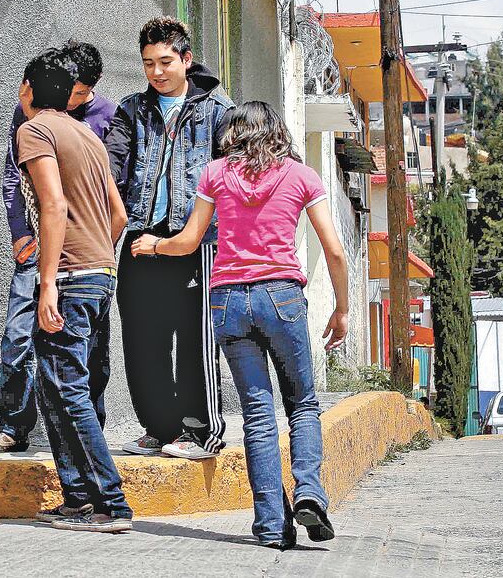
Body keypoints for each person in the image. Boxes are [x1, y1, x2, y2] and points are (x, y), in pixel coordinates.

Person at [131, 101, 347, 549]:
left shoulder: (214, 174)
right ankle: (308, 491)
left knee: (257, 414)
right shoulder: (301, 176)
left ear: (233, 133)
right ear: (277, 132)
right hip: (282, 296)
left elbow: (189, 241)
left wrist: (153, 245)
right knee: (302, 404)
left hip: (228, 300)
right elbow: (334, 250)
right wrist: (341, 309)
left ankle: (270, 525)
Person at [0, 41, 117, 453]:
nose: (71, 100)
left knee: (84, 359)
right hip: (45, 252)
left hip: (76, 263)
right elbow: (14, 179)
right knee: (19, 338)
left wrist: (89, 251)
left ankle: (90, 445)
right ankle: (14, 426)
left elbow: (84, 201)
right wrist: (21, 234)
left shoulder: (101, 120)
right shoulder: (30, 121)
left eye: (80, 92)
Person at [105, 17, 234, 460]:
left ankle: (200, 432)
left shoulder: (218, 112)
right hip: (141, 237)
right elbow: (113, 164)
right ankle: (159, 427)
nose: (157, 72)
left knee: (195, 340)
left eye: (165, 61)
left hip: (197, 238)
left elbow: (231, 177)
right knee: (143, 338)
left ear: (186, 59)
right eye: (148, 63)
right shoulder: (131, 110)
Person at [16, 48, 132, 532]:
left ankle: (111, 504)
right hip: (100, 274)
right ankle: (78, 497)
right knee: (56, 387)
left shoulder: (35, 130)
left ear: (27, 90)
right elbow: (119, 215)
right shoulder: (87, 135)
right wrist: (97, 258)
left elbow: (54, 206)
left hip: (68, 277)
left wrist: (48, 282)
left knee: (68, 389)